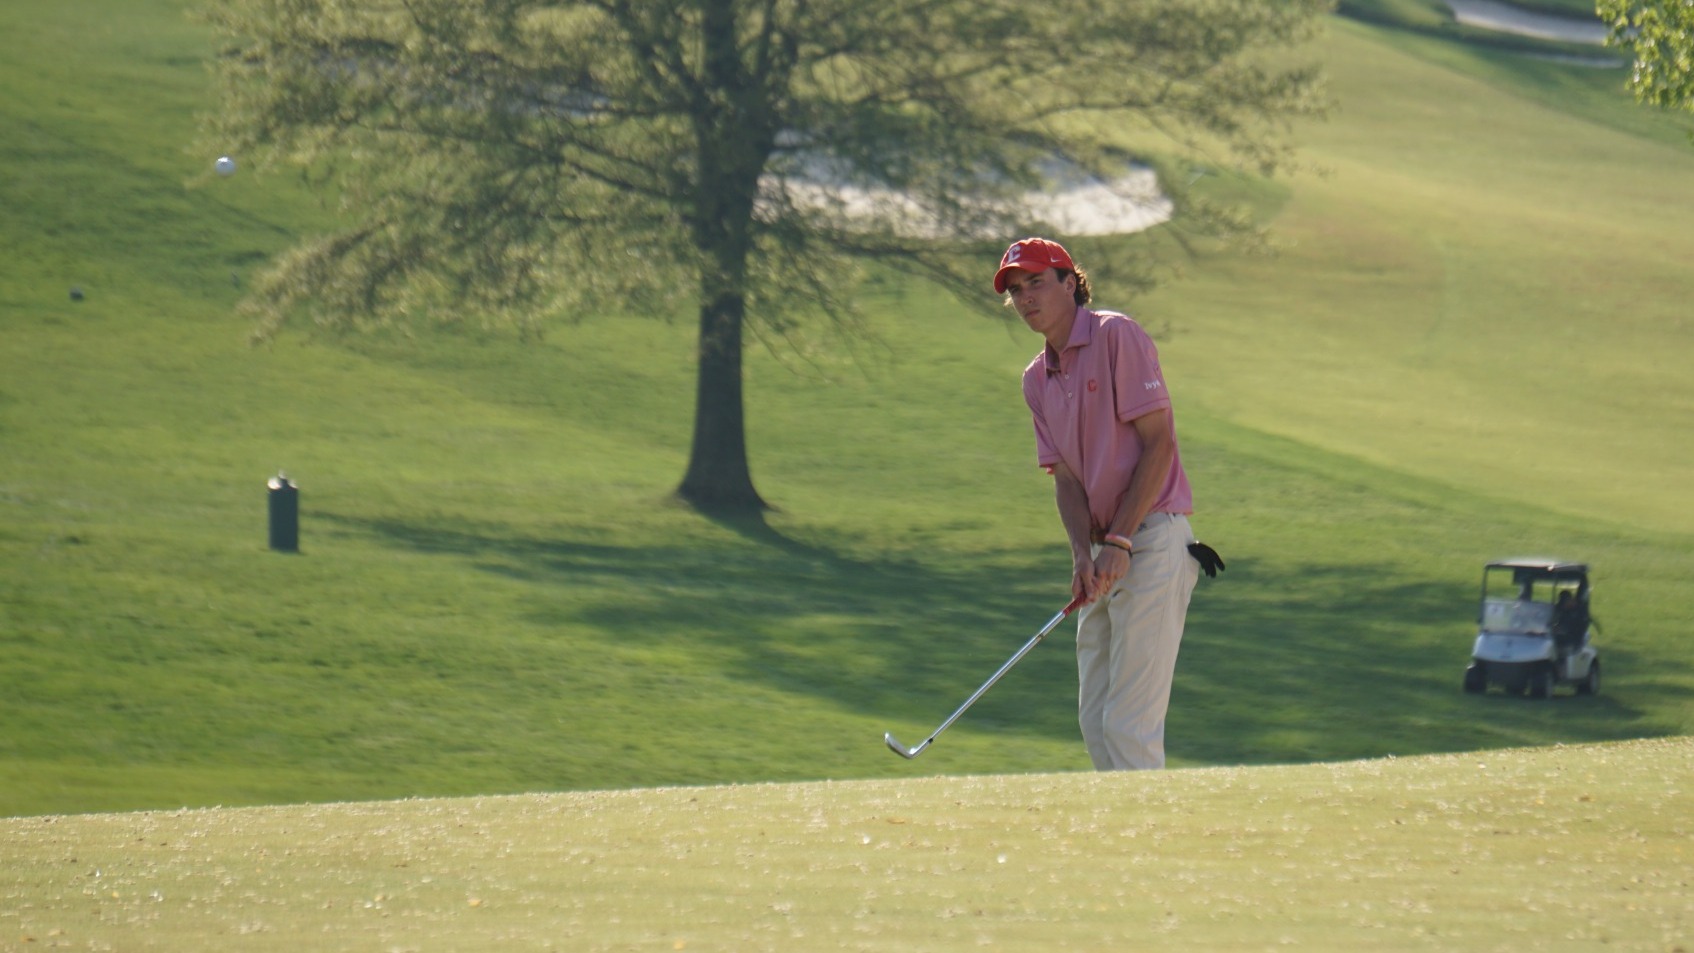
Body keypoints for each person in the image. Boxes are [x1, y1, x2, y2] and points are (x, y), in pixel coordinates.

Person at [998, 236, 1201, 771]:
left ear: (1071, 282)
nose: (1025, 298)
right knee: (1095, 721)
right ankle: (1123, 845)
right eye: (1016, 291)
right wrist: (1082, 556)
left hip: (1151, 541)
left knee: (1128, 725)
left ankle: (1150, 849)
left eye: (1037, 283)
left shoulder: (1117, 336)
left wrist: (1119, 540)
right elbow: (1065, 478)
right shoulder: (1036, 378)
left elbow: (1160, 443)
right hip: (1106, 553)